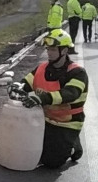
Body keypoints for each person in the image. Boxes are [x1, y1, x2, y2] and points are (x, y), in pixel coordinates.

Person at [14, 29, 88, 168]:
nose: (49, 52)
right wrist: (17, 87)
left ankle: (73, 145)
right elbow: (26, 83)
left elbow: (70, 93)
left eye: (53, 49)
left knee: (51, 162)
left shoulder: (77, 73)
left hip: (67, 124)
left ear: (64, 51)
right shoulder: (42, 68)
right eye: (48, 49)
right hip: (45, 120)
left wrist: (42, 98)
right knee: (27, 151)